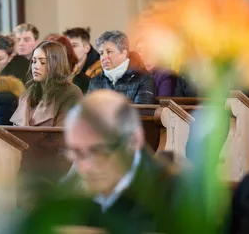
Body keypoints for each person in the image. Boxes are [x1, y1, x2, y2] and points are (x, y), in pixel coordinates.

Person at [18, 90, 183, 234]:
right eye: (77, 152)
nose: (84, 167)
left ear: (134, 141)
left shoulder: (179, 195)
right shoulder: (68, 192)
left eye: (97, 151)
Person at [10, 41, 83, 127]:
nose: (35, 66)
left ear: (55, 64)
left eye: (42, 62)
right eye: (33, 61)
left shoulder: (71, 93)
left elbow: (61, 135)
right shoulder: (26, 94)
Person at [88, 31, 155, 104]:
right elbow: (89, 111)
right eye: (101, 53)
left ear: (124, 53)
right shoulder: (95, 81)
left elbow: (142, 112)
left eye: (109, 52)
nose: (104, 57)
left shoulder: (144, 78)